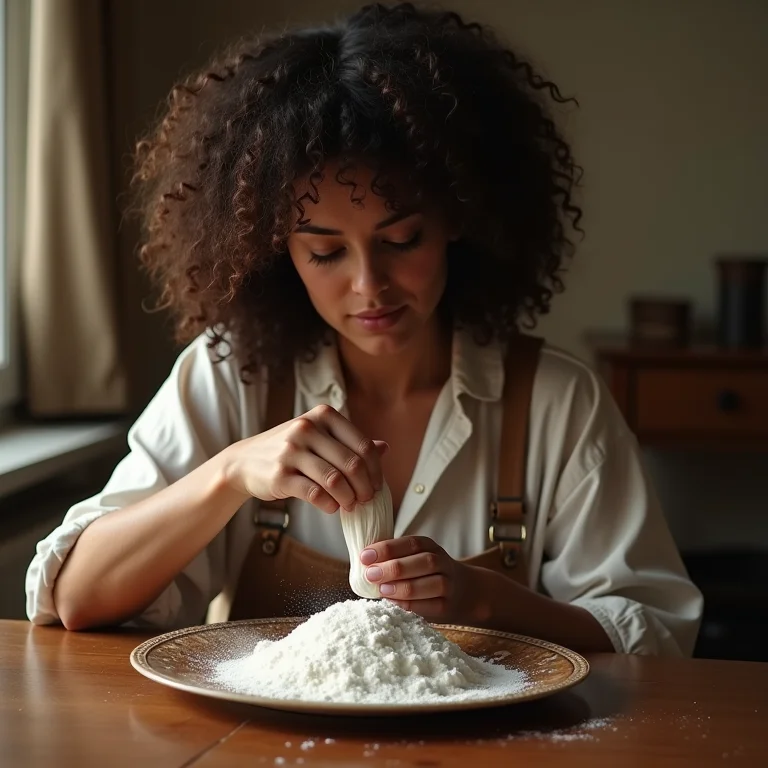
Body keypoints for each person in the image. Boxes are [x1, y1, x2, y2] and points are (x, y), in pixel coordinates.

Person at [25, 2, 702, 655]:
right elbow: (79, 599)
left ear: (458, 218)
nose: (368, 286)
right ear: (274, 250)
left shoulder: (557, 403)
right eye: (324, 252)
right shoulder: (235, 377)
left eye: (402, 240)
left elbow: (656, 633)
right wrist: (230, 473)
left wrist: (486, 602)